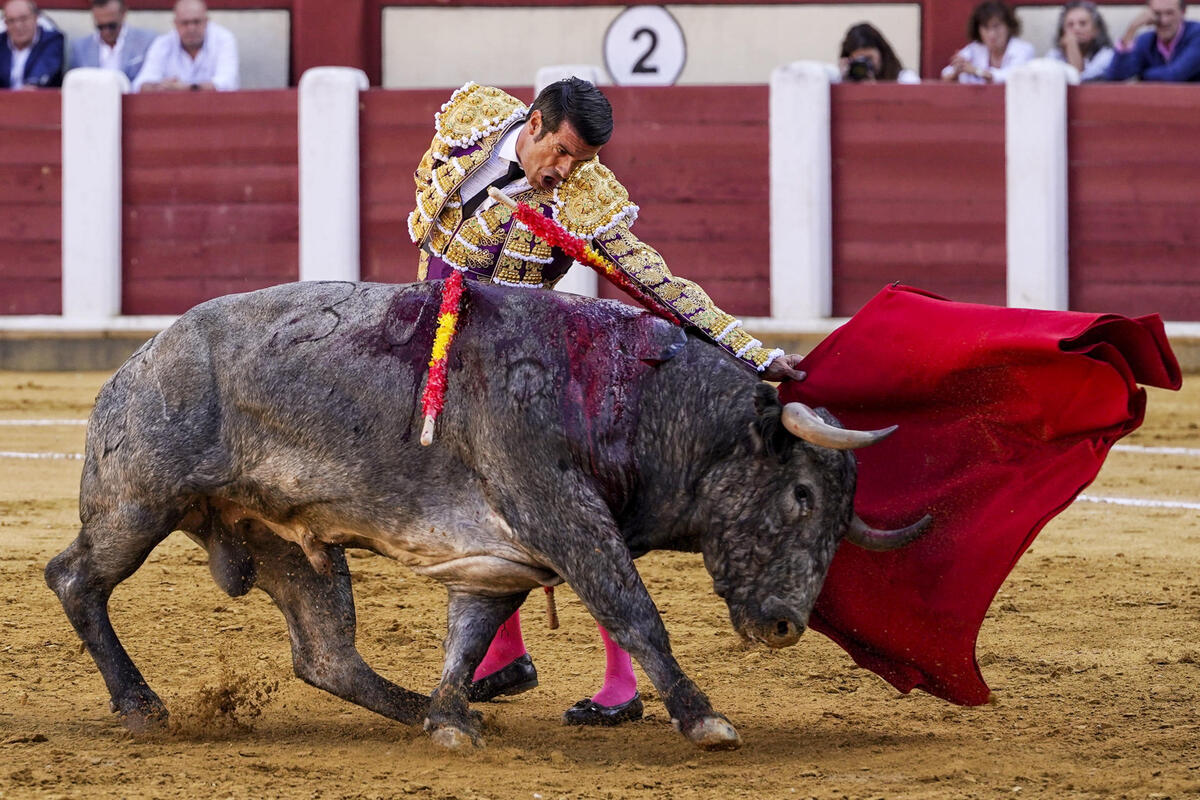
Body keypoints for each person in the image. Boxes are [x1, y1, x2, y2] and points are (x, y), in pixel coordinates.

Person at [409, 78, 807, 726]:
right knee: (467, 496)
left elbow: (658, 283)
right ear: (533, 124)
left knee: (567, 513)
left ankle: (620, 680)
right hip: (437, 338)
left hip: (518, 362)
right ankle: (501, 654)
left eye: (582, 162)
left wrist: (755, 354)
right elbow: (433, 215)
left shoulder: (585, 198)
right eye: (562, 153)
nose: (566, 171)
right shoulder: (471, 118)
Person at [132, 0, 238, 92]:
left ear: (206, 22)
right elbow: (141, 84)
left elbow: (227, 83)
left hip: (216, 109)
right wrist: (160, 87)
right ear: (175, 24)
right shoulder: (163, 44)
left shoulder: (223, 39)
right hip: (172, 110)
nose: (191, 28)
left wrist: (188, 88)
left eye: (196, 22)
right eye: (185, 23)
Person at [941, 0, 1035, 83]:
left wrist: (977, 71)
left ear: (1009, 27)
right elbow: (946, 73)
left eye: (996, 26)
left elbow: (1013, 76)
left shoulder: (1023, 49)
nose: (992, 34)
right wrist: (957, 70)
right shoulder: (975, 48)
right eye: (986, 28)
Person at [1105, 0, 1200, 81]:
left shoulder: (1196, 34)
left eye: (1169, 13)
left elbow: (1175, 75)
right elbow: (1116, 77)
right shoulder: (1146, 40)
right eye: (1157, 14)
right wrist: (1132, 30)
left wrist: (1141, 75)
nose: (1164, 20)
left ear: (1183, 12)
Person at [69, 0, 156, 83]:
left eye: (112, 26)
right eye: (100, 27)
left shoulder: (146, 41)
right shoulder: (80, 48)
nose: (106, 32)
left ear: (123, 13)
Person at [0, 0, 63, 89]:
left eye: (23, 19)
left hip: (40, 100)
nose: (18, 26)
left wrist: (32, 85)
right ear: (5, 23)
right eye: (11, 21)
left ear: (36, 18)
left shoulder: (52, 40)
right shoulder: (1, 42)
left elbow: (45, 67)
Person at [1046, 1, 1115, 81]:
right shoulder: (1054, 56)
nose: (1076, 29)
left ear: (1096, 30)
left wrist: (1072, 46)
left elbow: (1080, 82)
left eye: (1083, 24)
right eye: (1070, 24)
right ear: (1062, 31)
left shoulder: (1106, 56)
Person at [838, 23, 921, 83]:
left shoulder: (905, 79)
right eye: (858, 60)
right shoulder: (843, 82)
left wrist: (874, 89)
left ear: (882, 53)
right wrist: (841, 81)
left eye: (868, 58)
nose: (864, 64)